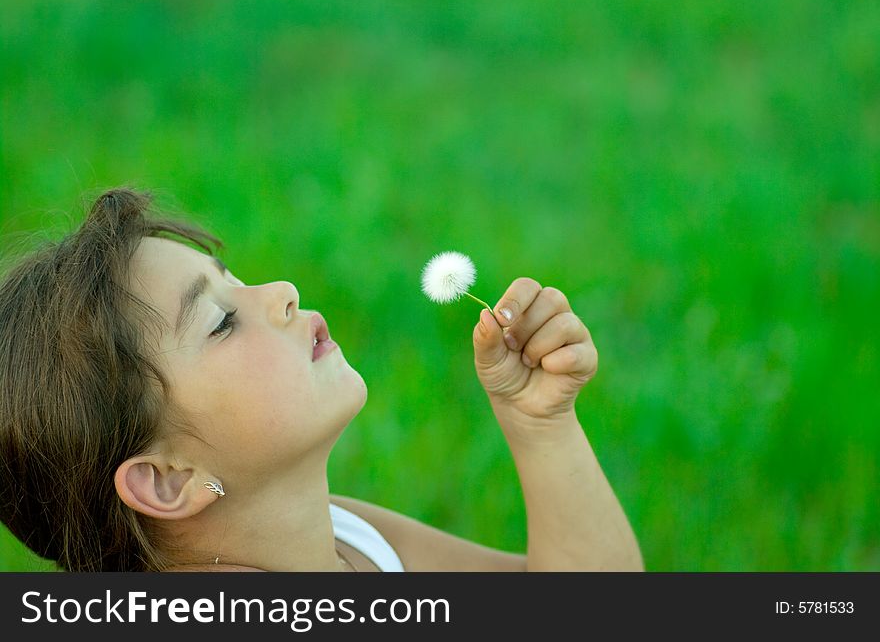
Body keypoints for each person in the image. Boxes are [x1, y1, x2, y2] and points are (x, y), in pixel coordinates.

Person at [0, 187, 643, 572]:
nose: (281, 293)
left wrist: (542, 424)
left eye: (236, 281)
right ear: (168, 480)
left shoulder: (345, 538)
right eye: (222, 321)